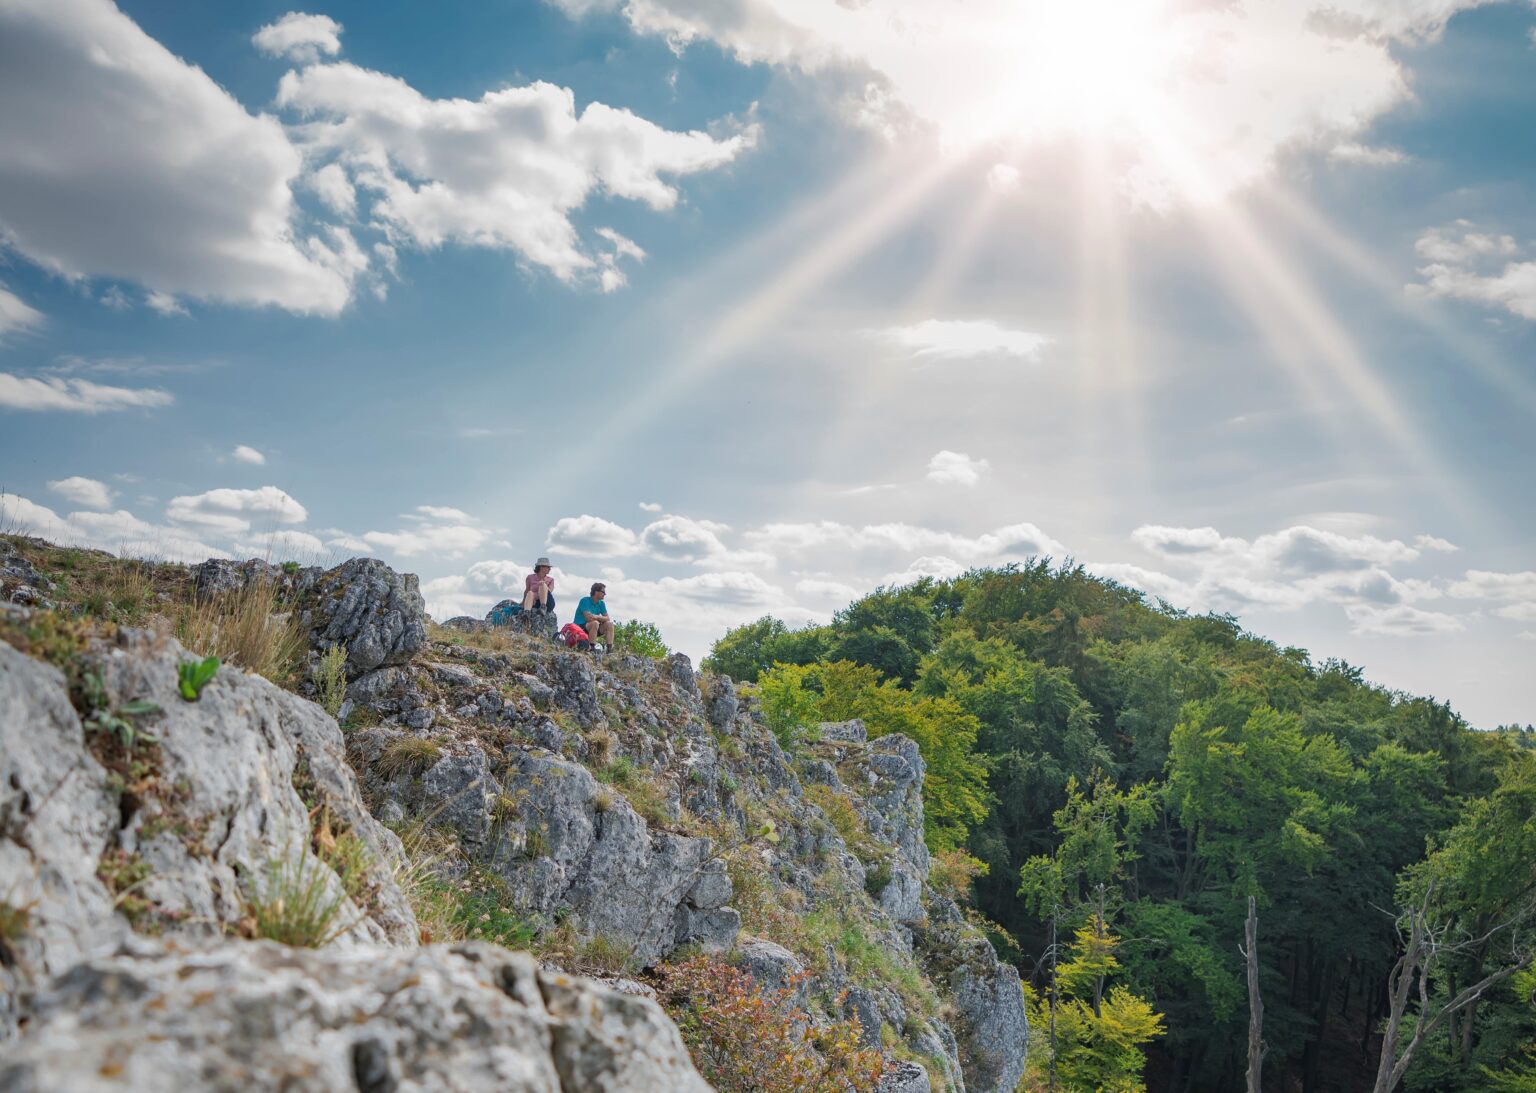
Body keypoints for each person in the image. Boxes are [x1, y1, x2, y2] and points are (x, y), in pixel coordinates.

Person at [573, 582, 614, 651]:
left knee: (609, 624)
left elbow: (607, 618)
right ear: (596, 592)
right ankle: (592, 648)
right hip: (580, 627)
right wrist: (600, 618)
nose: (605, 594)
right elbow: (588, 618)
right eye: (603, 592)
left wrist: (596, 616)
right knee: (595, 623)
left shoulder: (601, 603)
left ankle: (609, 649)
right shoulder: (584, 601)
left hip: (594, 627)